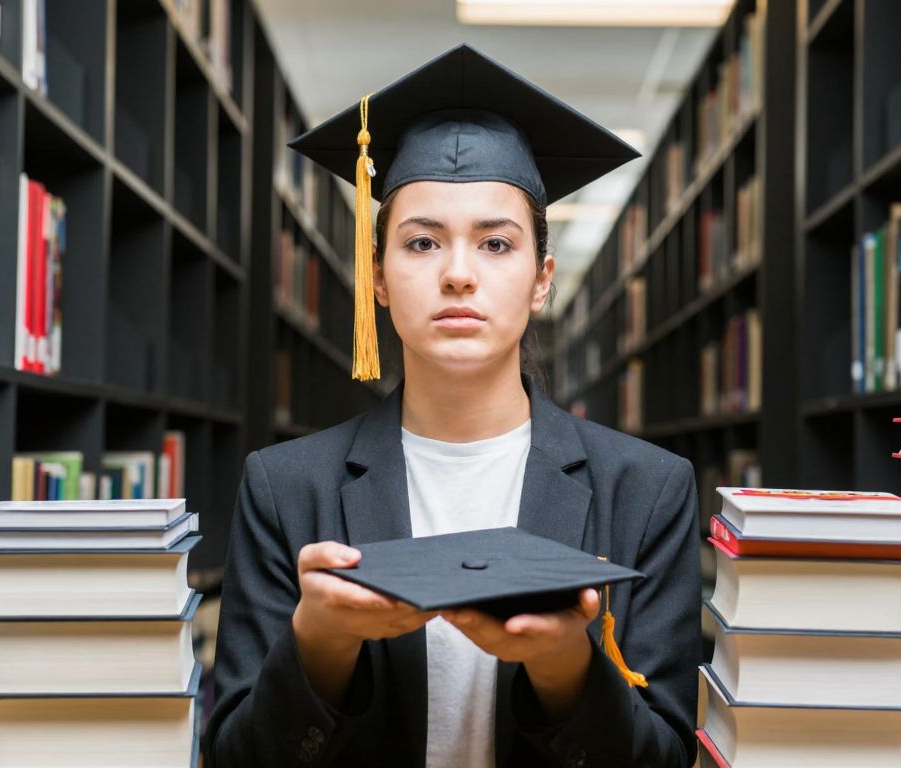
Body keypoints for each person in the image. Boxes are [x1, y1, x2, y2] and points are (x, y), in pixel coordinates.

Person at [202, 44, 701, 768]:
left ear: (541, 280)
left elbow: (663, 758)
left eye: (496, 243)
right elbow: (234, 760)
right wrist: (320, 643)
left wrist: (566, 667)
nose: (459, 274)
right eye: (422, 242)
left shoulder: (647, 492)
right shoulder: (286, 488)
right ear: (377, 277)